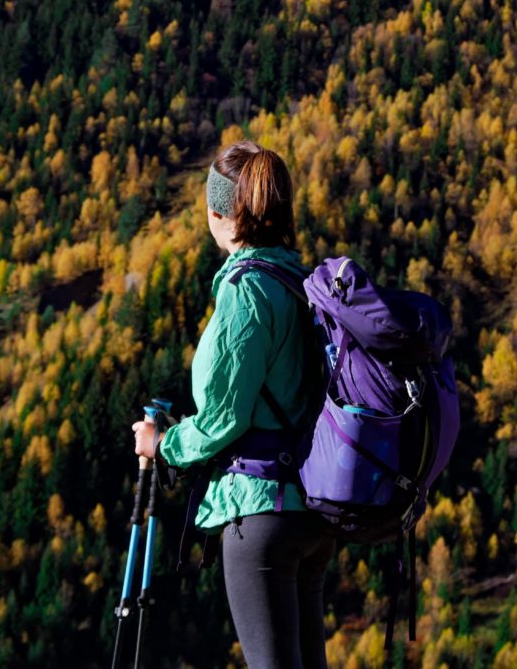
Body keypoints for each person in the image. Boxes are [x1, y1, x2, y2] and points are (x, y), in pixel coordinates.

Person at [131, 139, 336, 668]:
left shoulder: (245, 293)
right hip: (312, 513)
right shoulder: (300, 283)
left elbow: (224, 419)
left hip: (259, 513)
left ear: (219, 212)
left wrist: (162, 444)